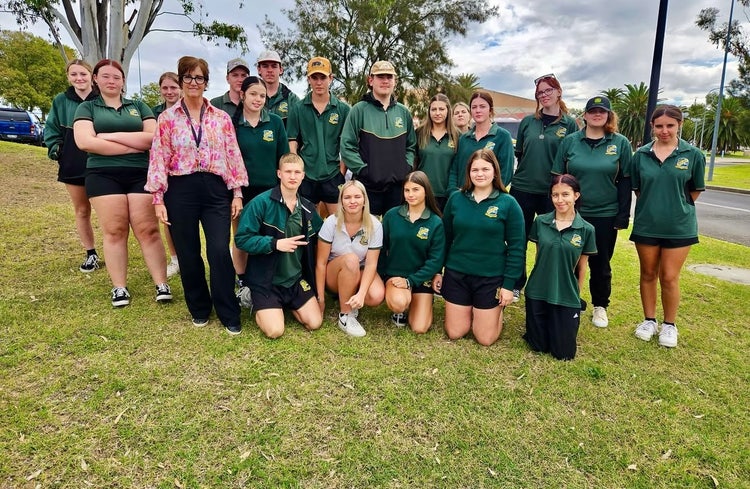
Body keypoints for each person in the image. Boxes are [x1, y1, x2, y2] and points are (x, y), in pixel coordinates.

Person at [147, 55, 248, 334]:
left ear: (206, 82)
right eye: (188, 77)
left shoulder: (222, 118)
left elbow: (232, 155)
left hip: (216, 190)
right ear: (180, 81)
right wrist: (158, 198)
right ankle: (200, 307)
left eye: (199, 77)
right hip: (181, 189)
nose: (194, 82)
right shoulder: (167, 118)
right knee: (189, 252)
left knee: (218, 250)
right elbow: (158, 158)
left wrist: (237, 191)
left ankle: (229, 310)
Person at [73, 59, 170, 307]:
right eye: (105, 76)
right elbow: (85, 142)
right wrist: (130, 144)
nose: (111, 81)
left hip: (140, 173)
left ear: (123, 80)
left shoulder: (138, 106)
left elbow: (152, 139)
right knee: (115, 230)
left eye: (116, 77)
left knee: (147, 229)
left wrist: (109, 137)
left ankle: (161, 283)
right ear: (96, 79)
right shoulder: (87, 108)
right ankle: (119, 287)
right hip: (102, 175)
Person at [552, 96, 632, 328]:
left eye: (602, 111)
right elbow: (557, 178)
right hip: (573, 213)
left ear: (608, 116)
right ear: (585, 115)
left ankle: (600, 306)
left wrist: (622, 215)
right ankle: (568, 299)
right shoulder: (570, 142)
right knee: (569, 258)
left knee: (601, 262)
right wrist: (556, 210)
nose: (597, 114)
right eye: (592, 111)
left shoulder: (620, 143)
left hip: (605, 213)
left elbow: (625, 181)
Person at [630, 105, 705, 348]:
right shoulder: (640, 155)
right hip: (647, 224)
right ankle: (649, 320)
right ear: (652, 126)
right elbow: (639, 189)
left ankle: (669, 325)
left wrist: (674, 207)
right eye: (659, 125)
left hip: (679, 226)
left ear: (679, 125)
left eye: (670, 125)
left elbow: (694, 191)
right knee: (648, 273)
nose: (664, 131)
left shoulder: (693, 155)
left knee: (670, 277)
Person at [436, 149, 524, 346]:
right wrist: (437, 271)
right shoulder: (456, 199)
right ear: (468, 172)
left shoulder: (508, 203)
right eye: (475, 169)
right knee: (455, 332)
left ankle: (494, 312)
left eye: (485, 168)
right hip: (457, 274)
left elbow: (517, 248)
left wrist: (509, 286)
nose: (480, 174)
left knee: (485, 338)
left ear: (495, 171)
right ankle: (473, 309)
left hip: (490, 278)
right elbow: (444, 239)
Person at [235, 153, 323, 338]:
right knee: (275, 331)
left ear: (303, 175)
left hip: (294, 280)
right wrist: (275, 244)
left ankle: (286, 304)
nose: (292, 176)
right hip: (266, 281)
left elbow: (322, 238)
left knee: (315, 323)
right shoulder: (260, 203)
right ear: (279, 174)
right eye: (288, 171)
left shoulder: (307, 208)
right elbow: (242, 239)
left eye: (297, 172)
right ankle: (254, 298)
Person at [511, 73, 579, 301]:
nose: (544, 95)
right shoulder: (528, 122)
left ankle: (544, 283)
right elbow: (519, 154)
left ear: (559, 91)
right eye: (540, 92)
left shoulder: (570, 125)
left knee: (549, 241)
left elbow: (571, 160)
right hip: (522, 188)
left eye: (548, 90)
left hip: (552, 192)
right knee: (517, 239)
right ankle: (516, 284)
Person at [231, 75, 290, 307]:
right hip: (241, 191)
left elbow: (283, 157)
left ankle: (270, 277)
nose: (258, 99)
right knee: (242, 237)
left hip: (270, 191)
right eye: (253, 94)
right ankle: (242, 279)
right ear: (242, 95)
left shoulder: (274, 122)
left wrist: (284, 187)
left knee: (270, 236)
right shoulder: (232, 124)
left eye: (262, 95)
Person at [523, 174, 597, 360]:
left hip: (566, 294)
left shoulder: (586, 229)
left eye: (565, 194)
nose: (560, 200)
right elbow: (540, 257)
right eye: (555, 195)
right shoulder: (541, 222)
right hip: (538, 291)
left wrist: (576, 296)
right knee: (538, 346)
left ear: (576, 196)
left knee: (563, 353)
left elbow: (582, 268)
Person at [44, 59, 101, 273]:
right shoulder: (61, 101)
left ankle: (115, 249)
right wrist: (57, 150)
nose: (79, 78)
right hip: (73, 162)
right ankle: (91, 253)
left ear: (91, 76)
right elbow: (51, 129)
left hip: (100, 161)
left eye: (83, 74)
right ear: (68, 77)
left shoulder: (101, 98)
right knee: (82, 210)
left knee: (108, 212)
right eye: (74, 74)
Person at [340, 60, 417, 215]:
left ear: (395, 81)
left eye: (389, 76)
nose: (385, 80)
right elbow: (347, 146)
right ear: (371, 80)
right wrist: (363, 170)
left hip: (397, 188)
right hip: (368, 187)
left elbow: (411, 146)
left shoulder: (403, 112)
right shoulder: (358, 110)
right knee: (367, 235)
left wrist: (406, 167)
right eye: (380, 76)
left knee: (393, 233)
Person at [315, 180, 385, 337]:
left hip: (358, 269)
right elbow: (320, 263)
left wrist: (361, 293)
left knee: (376, 296)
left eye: (357, 197)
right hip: (333, 273)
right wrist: (320, 298)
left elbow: (371, 263)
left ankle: (352, 298)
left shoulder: (374, 225)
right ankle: (345, 315)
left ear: (364, 200)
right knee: (351, 259)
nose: (352, 201)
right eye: (347, 197)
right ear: (341, 201)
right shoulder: (331, 223)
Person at [379, 171, 445, 333]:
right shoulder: (391, 216)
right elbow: (380, 249)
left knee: (419, 328)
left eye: (416, 189)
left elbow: (435, 260)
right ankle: (401, 308)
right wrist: (381, 276)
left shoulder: (435, 222)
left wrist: (411, 281)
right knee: (400, 302)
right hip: (396, 276)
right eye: (407, 190)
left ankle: (421, 301)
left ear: (426, 191)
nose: (410, 194)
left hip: (421, 279)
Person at [287, 56, 350, 215]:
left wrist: (341, 173)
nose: (319, 82)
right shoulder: (298, 108)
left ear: (331, 78)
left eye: (323, 77)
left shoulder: (343, 109)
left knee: (337, 225)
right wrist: (297, 169)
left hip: (332, 174)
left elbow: (348, 144)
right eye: (314, 77)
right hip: (307, 175)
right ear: (308, 79)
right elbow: (292, 140)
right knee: (307, 227)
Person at [447, 91, 514, 195]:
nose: (478, 110)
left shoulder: (503, 136)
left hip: (488, 201)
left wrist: (489, 194)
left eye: (482, 106)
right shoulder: (464, 139)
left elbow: (506, 173)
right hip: (462, 199)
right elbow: (454, 170)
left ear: (490, 110)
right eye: (474, 107)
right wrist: (453, 192)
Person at [151, 71, 182, 278]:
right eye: (165, 88)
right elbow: (150, 141)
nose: (169, 92)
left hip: (181, 173)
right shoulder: (154, 113)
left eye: (173, 87)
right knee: (169, 221)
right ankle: (175, 259)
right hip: (162, 171)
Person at [415, 93, 459, 211]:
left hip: (448, 195)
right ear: (429, 111)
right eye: (434, 109)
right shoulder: (419, 133)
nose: (437, 113)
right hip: (422, 193)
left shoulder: (457, 136)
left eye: (441, 109)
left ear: (448, 110)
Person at [256, 50, 300, 126]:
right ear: (259, 70)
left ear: (281, 70)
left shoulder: (292, 100)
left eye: (274, 66)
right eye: (265, 66)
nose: (270, 70)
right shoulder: (251, 98)